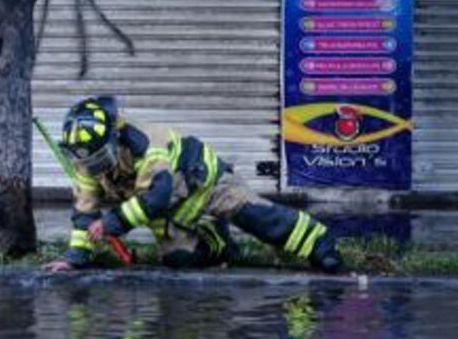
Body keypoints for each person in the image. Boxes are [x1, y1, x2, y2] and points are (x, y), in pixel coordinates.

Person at [44, 96, 343, 273]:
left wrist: (112, 222)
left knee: (256, 216)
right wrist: (75, 258)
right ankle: (218, 242)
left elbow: (157, 196)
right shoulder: (86, 161)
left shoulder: (146, 145)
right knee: (180, 261)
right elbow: (85, 212)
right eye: (88, 162)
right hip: (171, 211)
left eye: (100, 158)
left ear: (114, 138)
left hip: (205, 182)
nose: (94, 168)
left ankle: (320, 245)